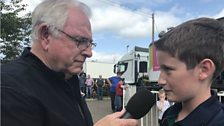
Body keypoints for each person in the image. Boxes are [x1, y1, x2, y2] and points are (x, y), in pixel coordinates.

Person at [1, 0, 138, 126]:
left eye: (90, 43)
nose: (89, 53)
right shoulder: (9, 89)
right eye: (80, 41)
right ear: (45, 35)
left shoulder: (67, 78)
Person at [154, 17, 224, 126]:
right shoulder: (169, 114)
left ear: (204, 70)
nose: (160, 81)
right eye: (160, 69)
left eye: (168, 69)